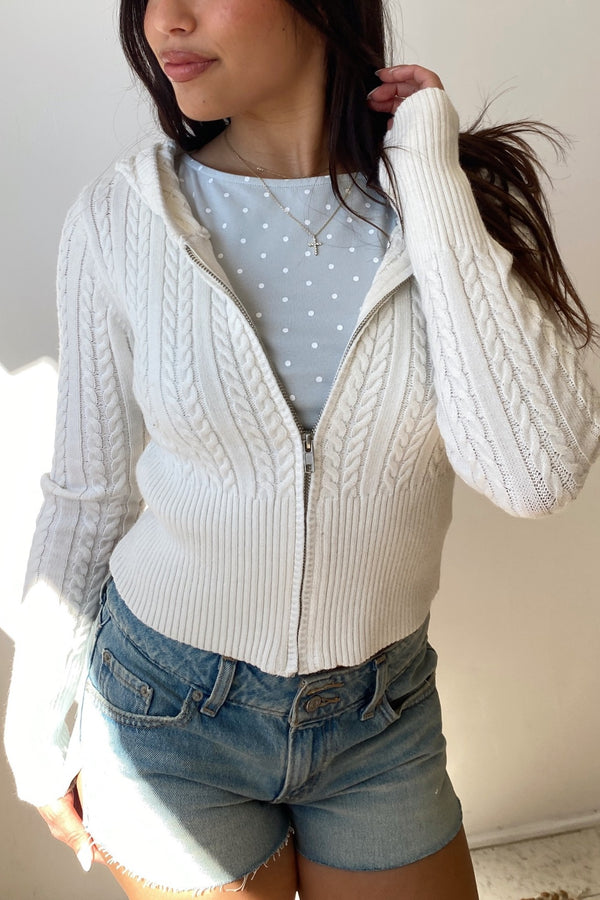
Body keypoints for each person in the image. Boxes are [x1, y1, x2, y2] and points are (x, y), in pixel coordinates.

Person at [4, 0, 600, 898]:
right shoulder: (122, 216)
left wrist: (429, 180)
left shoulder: (439, 197)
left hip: (379, 717)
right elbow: (86, 492)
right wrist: (37, 730)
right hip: (163, 707)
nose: (164, 20)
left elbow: (536, 472)